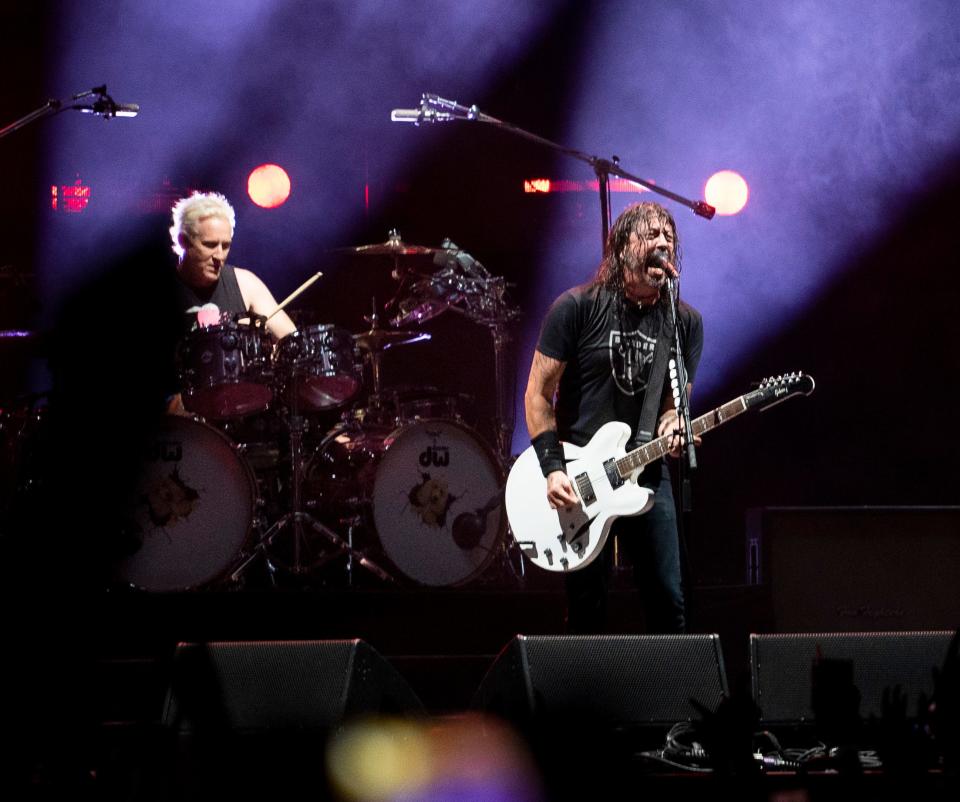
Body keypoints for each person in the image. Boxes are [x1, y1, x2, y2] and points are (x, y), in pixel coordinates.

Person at [523, 201, 703, 634]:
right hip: (582, 476)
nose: (664, 242)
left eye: (669, 236)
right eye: (651, 234)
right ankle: (586, 695)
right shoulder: (576, 307)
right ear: (623, 247)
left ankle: (673, 697)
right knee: (588, 605)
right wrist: (552, 469)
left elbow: (676, 403)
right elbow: (538, 394)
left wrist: (673, 422)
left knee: (668, 602)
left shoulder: (684, 322)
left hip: (647, 476)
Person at [167, 191, 297, 414]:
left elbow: (292, 342)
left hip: (243, 411)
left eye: (225, 245)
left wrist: (265, 347)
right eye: (209, 244)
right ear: (183, 241)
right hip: (181, 419)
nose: (219, 255)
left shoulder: (245, 283)